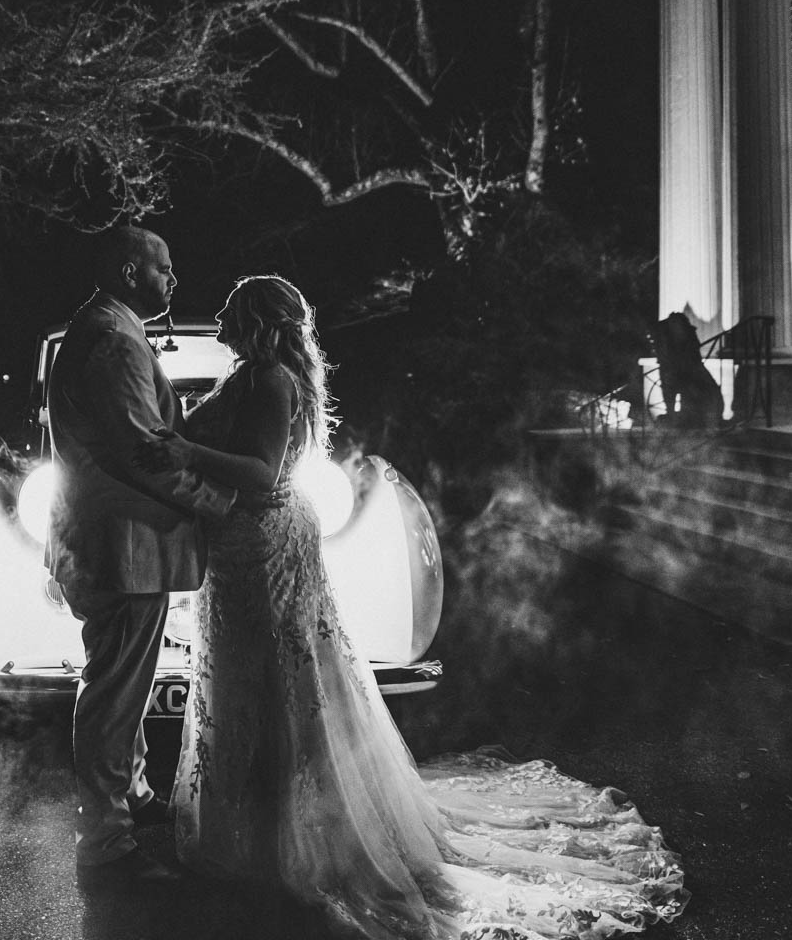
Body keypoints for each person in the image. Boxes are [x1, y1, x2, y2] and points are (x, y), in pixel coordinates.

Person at [135, 275, 689, 939]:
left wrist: (184, 451)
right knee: (250, 675)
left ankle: (289, 835)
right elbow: (196, 437)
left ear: (256, 317)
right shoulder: (249, 375)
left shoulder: (271, 380)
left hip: (264, 546)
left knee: (282, 678)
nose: (220, 309)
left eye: (233, 304)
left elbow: (258, 471)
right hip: (242, 549)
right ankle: (256, 825)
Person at [44, 226, 237, 891]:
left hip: (114, 538)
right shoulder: (114, 341)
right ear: (130, 272)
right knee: (115, 693)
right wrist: (218, 504)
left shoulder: (100, 328)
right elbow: (143, 451)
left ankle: (133, 798)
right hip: (121, 541)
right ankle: (106, 841)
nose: (172, 281)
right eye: (164, 269)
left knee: (119, 682)